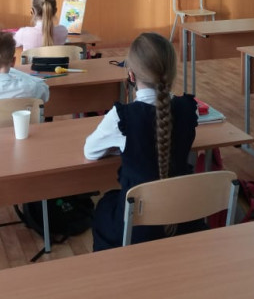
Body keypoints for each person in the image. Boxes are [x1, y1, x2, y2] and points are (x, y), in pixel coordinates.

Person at [84, 32, 199, 251]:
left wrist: (124, 147)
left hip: (137, 227)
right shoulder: (187, 109)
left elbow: (90, 151)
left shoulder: (122, 118)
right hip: (184, 217)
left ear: (131, 75)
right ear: (172, 73)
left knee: (104, 206)